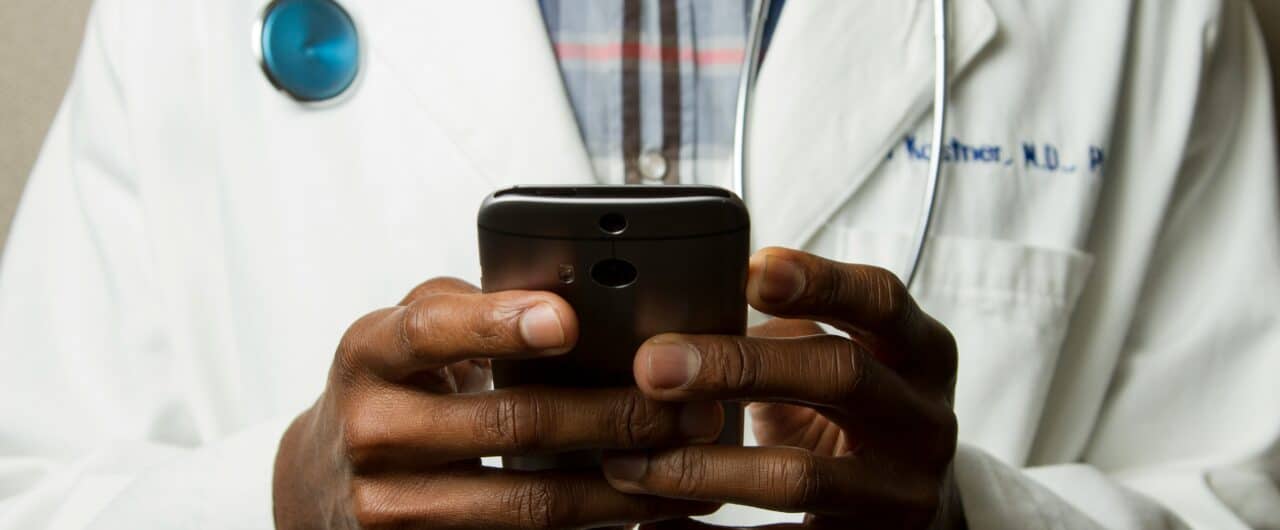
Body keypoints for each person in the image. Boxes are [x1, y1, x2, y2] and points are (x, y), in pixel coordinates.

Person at [1, 0, 1278, 528]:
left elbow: (1249, 488)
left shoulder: (1145, 16)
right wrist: (282, 499)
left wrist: (968, 515)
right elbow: (31, 487)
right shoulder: (177, 18)